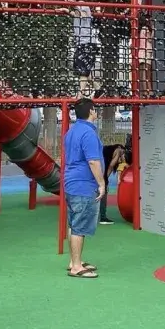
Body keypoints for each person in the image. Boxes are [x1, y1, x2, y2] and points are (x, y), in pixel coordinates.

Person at [62, 97, 105, 277]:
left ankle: (74, 260)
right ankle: (76, 267)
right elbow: (93, 161)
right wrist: (101, 183)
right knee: (79, 225)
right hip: (83, 185)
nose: (96, 112)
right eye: (95, 110)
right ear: (91, 112)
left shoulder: (71, 132)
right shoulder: (88, 134)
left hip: (71, 183)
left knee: (74, 223)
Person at [99, 143, 126, 225]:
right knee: (103, 194)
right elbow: (111, 166)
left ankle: (95, 216)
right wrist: (104, 179)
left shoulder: (106, 152)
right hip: (101, 172)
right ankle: (103, 217)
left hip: (98, 171)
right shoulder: (118, 151)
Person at [137, 17, 155, 98]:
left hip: (142, 51)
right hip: (147, 51)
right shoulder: (146, 29)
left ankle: (145, 92)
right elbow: (150, 39)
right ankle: (149, 92)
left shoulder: (141, 29)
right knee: (147, 74)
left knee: (143, 74)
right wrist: (153, 30)